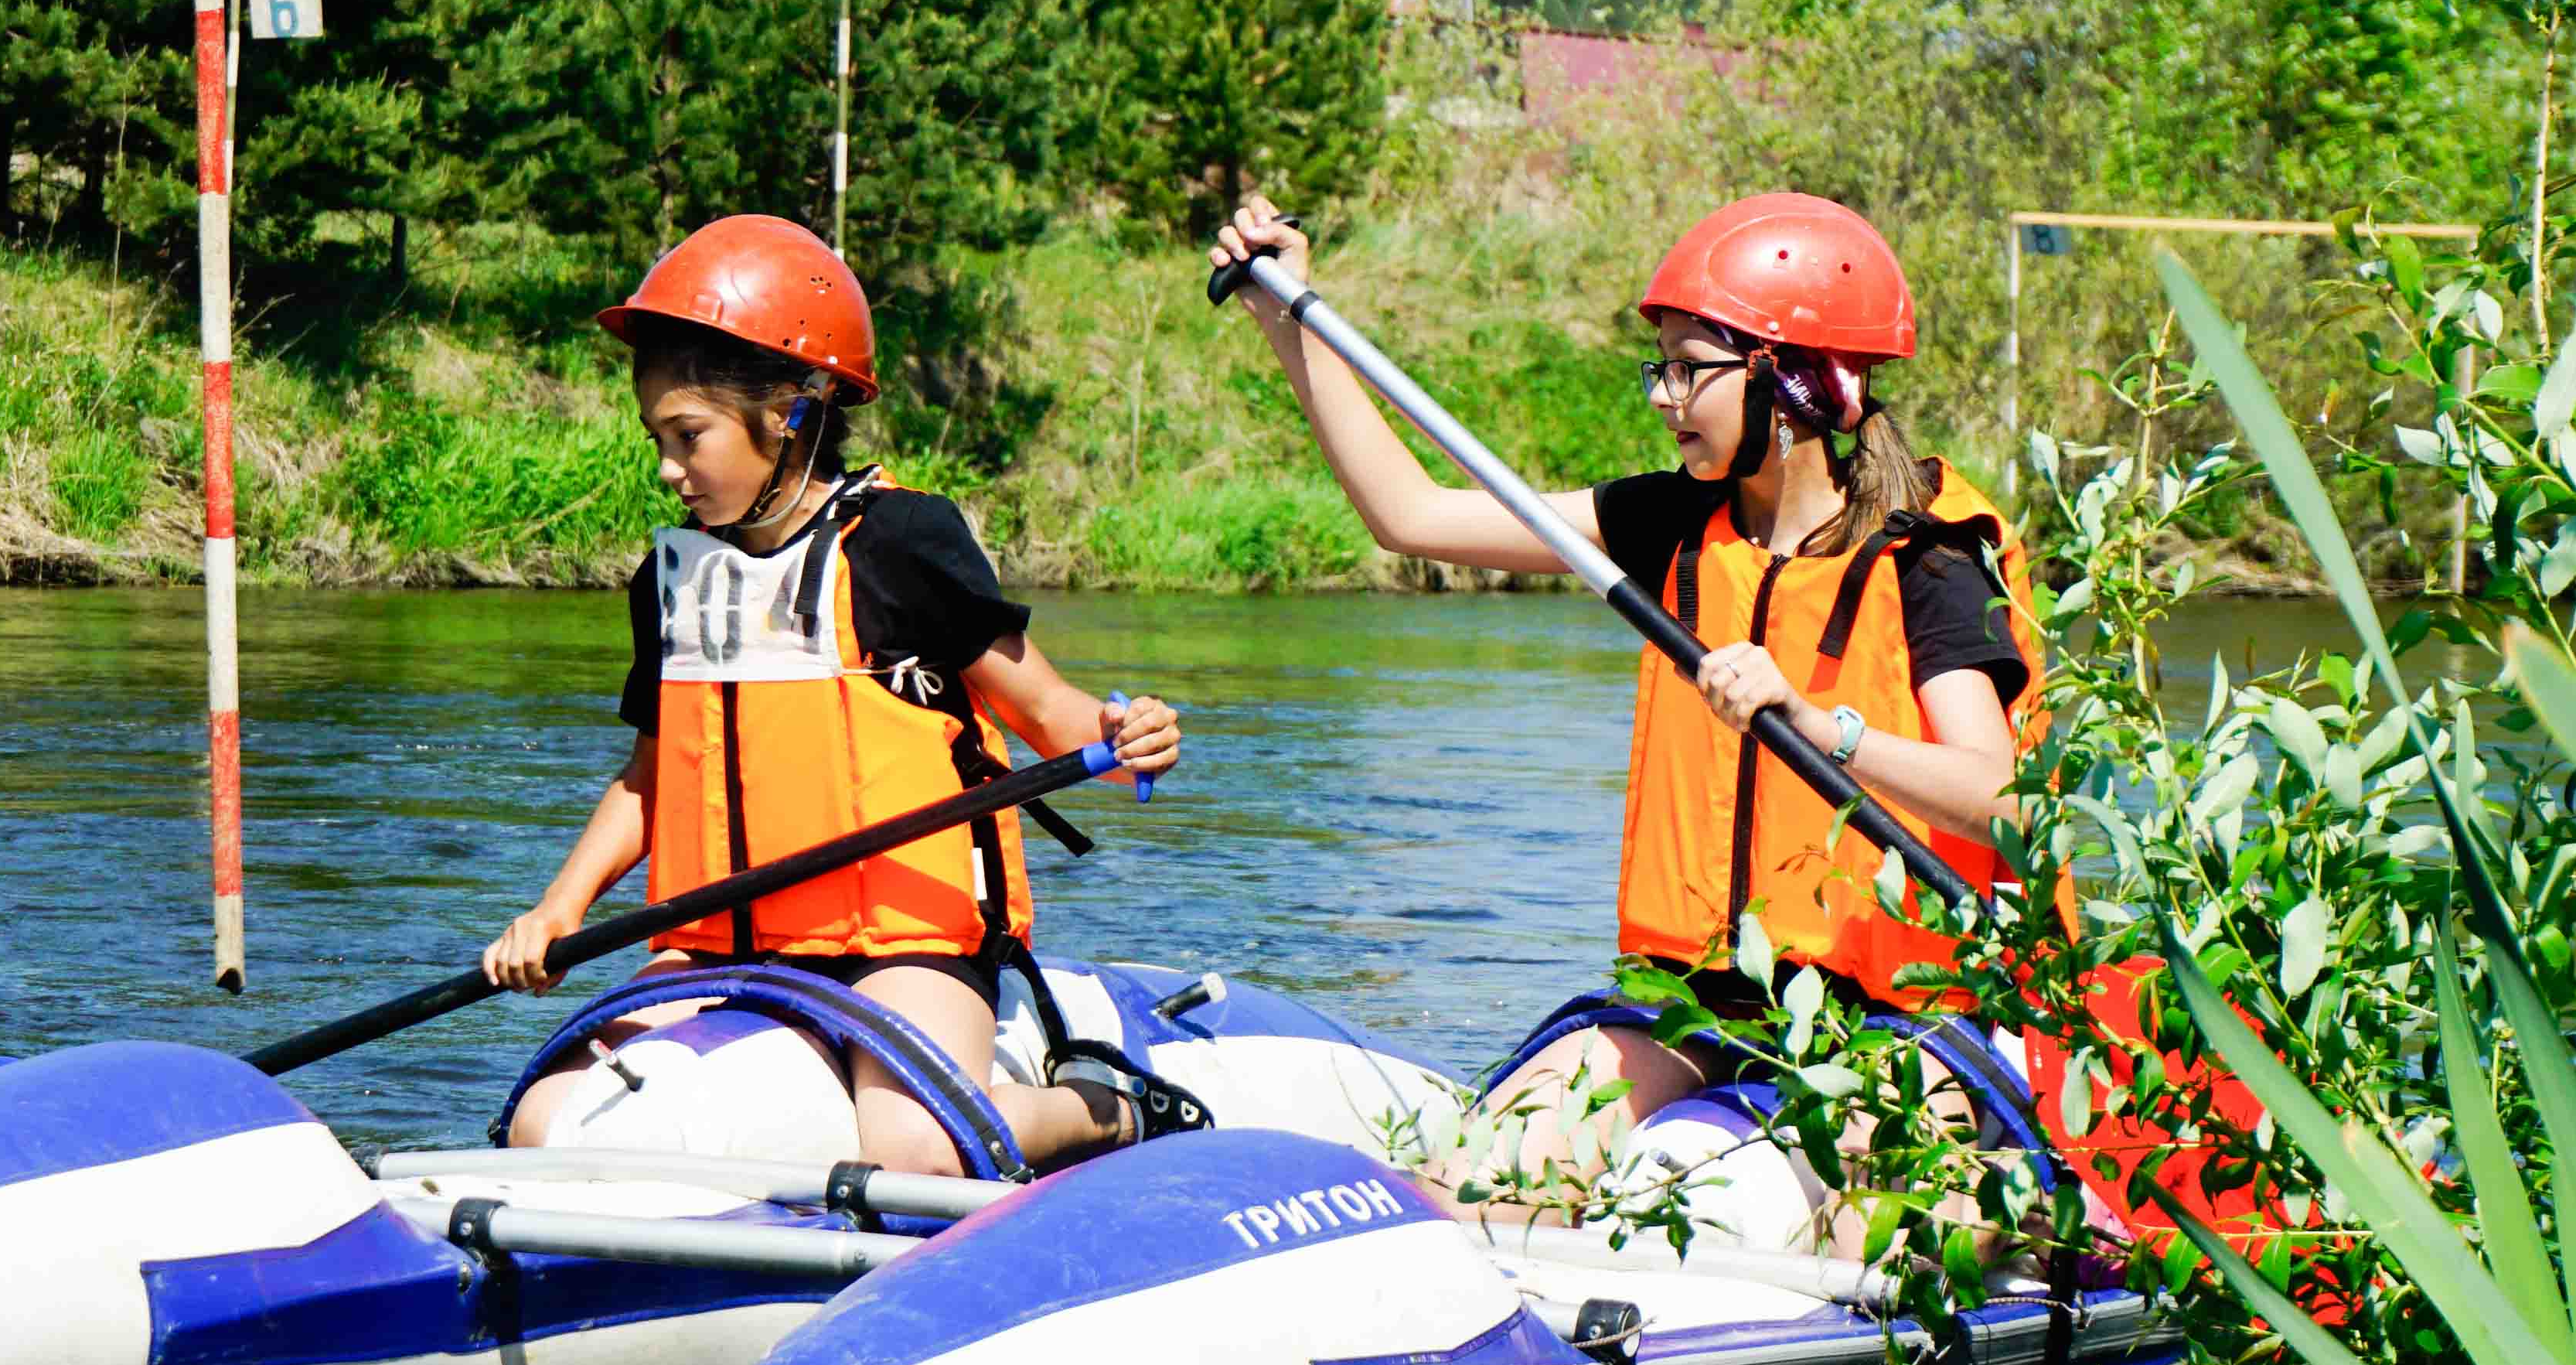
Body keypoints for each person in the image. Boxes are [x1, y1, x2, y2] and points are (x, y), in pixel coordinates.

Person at [1212, 189, 2050, 1231]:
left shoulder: (1929, 561)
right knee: (1484, 1187)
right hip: (1704, 998)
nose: (1663, 397)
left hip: (1905, 1018)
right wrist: (1283, 313)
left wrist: (1825, 725)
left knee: (1871, 1237)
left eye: (1690, 369)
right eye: (1659, 366)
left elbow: (2007, 804)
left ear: (1789, 382)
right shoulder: (1667, 523)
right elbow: (1409, 515)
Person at [482, 214, 1191, 1174]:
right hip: (716, 946)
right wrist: (560, 910)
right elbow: (654, 780)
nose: (667, 467)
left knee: (915, 1149)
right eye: (657, 436)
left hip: (900, 940)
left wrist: (1121, 731)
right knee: (546, 1120)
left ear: (794, 413)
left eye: (689, 436)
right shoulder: (672, 582)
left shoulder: (903, 543)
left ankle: (1107, 1110)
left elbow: (1049, 713)